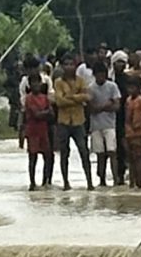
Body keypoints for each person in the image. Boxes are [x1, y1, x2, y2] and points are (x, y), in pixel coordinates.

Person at [51, 57, 91, 188]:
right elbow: (59, 101)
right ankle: (65, 182)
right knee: (64, 152)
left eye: (71, 64)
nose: (69, 67)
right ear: (62, 67)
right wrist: (78, 98)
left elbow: (87, 97)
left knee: (84, 151)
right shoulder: (58, 82)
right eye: (66, 64)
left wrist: (71, 97)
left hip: (79, 121)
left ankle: (89, 182)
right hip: (64, 121)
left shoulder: (81, 80)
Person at [86, 54, 120, 187]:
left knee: (112, 152)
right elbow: (90, 109)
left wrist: (100, 107)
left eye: (103, 74)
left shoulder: (112, 86)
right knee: (100, 154)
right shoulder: (90, 88)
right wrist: (106, 105)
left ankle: (116, 180)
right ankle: (102, 180)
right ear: (94, 75)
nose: (101, 77)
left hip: (110, 124)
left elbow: (117, 106)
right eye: (99, 74)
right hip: (96, 126)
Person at [19, 72, 54, 189]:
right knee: (33, 157)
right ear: (29, 85)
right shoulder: (28, 99)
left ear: (41, 84)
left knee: (47, 156)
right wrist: (45, 113)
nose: (36, 85)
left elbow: (51, 114)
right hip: (32, 131)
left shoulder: (45, 98)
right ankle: (32, 182)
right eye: (33, 83)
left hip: (43, 131)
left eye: (37, 83)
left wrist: (44, 113)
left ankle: (45, 181)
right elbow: (37, 114)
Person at [123, 74, 141, 189]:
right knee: (130, 158)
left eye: (133, 87)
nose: (131, 90)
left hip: (138, 133)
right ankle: (131, 183)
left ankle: (139, 183)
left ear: (139, 88)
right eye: (129, 87)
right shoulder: (128, 100)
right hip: (128, 132)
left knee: (138, 158)